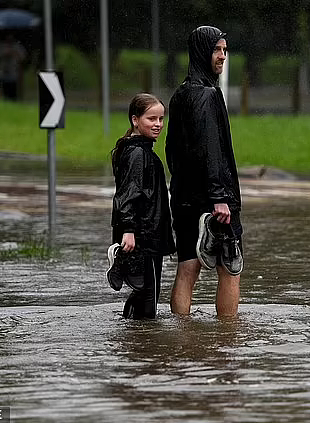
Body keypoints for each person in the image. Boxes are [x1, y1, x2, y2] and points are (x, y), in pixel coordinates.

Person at [165, 26, 243, 318]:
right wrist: (219, 198)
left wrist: (182, 188)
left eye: (225, 50)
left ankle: (182, 335)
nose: (222, 56)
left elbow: (172, 150)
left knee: (187, 267)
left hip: (184, 198)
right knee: (230, 269)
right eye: (217, 50)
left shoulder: (180, 94)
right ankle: (226, 340)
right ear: (202, 52)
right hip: (215, 202)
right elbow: (212, 149)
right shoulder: (209, 95)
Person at [107, 93, 175, 319]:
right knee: (148, 299)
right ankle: (141, 347)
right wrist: (128, 231)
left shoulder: (141, 150)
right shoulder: (137, 153)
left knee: (144, 294)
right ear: (135, 120)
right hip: (142, 238)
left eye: (161, 119)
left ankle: (131, 336)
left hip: (146, 235)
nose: (158, 125)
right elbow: (128, 194)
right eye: (151, 119)